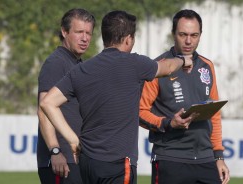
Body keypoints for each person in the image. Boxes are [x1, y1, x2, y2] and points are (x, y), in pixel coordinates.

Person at [39, 10, 193, 184]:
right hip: (117, 163)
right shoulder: (135, 63)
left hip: (87, 163)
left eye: (87, 33)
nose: (84, 37)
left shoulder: (82, 69)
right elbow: (169, 67)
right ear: (128, 39)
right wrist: (183, 60)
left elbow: (47, 103)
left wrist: (72, 139)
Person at [139, 9, 230, 184]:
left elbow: (215, 115)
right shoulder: (158, 68)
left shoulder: (207, 66)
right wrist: (168, 123)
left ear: (200, 35)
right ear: (173, 34)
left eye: (194, 35)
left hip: (205, 159)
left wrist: (218, 156)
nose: (188, 41)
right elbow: (140, 113)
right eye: (183, 34)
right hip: (170, 158)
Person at [37, 8, 95, 184]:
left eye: (88, 33)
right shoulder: (56, 63)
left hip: (76, 158)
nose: (84, 38)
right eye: (79, 32)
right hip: (61, 161)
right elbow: (43, 109)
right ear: (64, 31)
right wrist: (55, 151)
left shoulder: (77, 63)